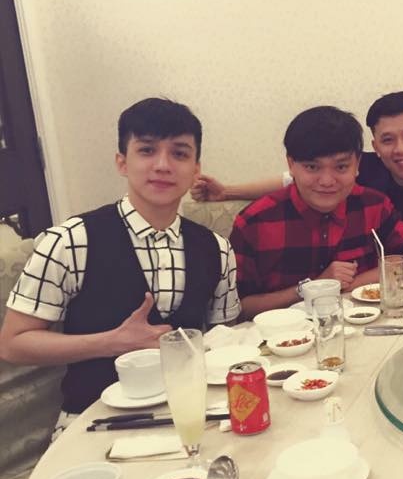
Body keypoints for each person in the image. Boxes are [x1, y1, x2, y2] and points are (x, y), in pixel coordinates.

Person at [0, 98, 240, 436]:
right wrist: (112, 342)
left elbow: (222, 338)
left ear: (196, 168)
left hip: (189, 414)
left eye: (179, 153)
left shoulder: (217, 249)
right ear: (122, 162)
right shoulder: (70, 241)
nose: (163, 165)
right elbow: (13, 343)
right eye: (146, 150)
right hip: (93, 422)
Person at [193, 92, 403, 259]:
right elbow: (294, 179)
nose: (400, 149)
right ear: (375, 147)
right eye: (387, 140)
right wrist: (227, 192)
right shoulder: (362, 169)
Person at [230, 106, 403, 318]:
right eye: (312, 167)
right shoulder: (255, 222)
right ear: (291, 164)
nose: (327, 181)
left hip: (364, 328)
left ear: (357, 165)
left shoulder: (372, 205)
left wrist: (349, 285)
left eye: (341, 167)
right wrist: (314, 287)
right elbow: (239, 308)